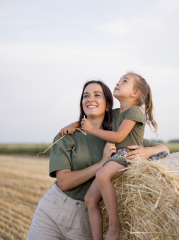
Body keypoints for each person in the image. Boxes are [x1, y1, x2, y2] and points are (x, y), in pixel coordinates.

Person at [26, 80, 169, 240]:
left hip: (87, 218)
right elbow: (64, 182)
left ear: (108, 105)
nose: (90, 99)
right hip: (53, 210)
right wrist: (101, 164)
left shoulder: (118, 135)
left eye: (97, 95)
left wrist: (148, 151)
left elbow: (162, 148)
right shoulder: (67, 136)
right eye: (85, 96)